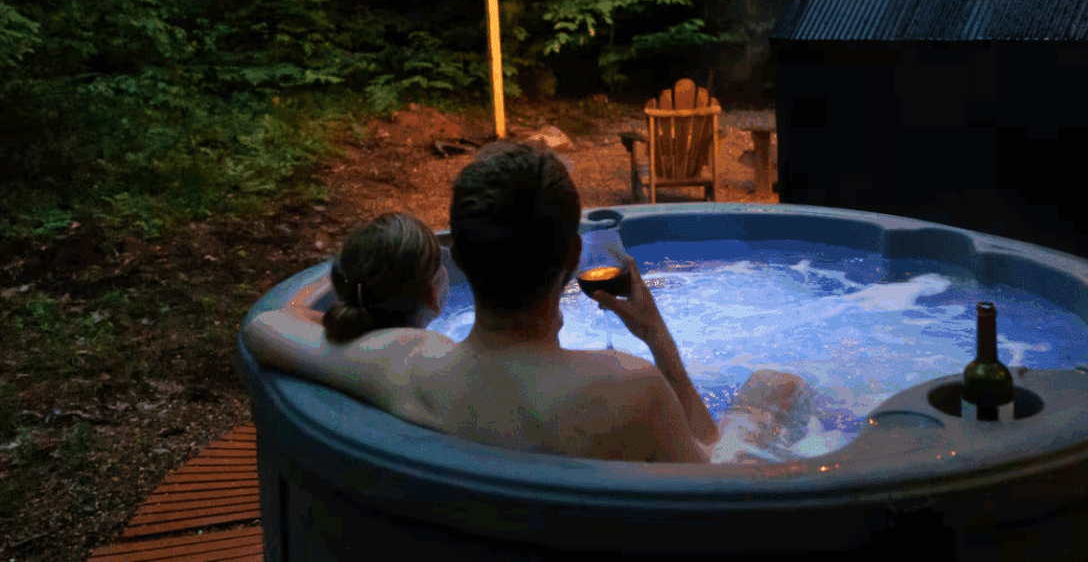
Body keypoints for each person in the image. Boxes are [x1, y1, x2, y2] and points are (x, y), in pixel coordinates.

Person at [242, 139, 812, 463]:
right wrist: (657, 338)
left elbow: (266, 325)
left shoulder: (408, 364)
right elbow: (718, 482)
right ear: (570, 261)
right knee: (776, 386)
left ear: (459, 260)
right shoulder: (629, 390)